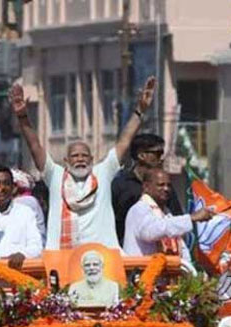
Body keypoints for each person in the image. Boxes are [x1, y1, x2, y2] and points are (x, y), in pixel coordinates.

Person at [9, 77, 156, 250]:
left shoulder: (103, 173)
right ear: (66, 161)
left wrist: (140, 110)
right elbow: (34, 146)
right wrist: (22, 116)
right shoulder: (55, 175)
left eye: (84, 156)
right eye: (75, 156)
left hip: (103, 257)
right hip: (63, 258)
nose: (80, 159)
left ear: (92, 160)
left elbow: (124, 142)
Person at [122, 168, 213, 262]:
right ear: (146, 187)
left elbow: (181, 249)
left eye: (168, 185)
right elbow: (150, 232)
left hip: (166, 274)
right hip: (141, 274)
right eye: (160, 185)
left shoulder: (166, 213)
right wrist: (191, 218)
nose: (166, 189)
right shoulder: (139, 209)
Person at [112, 133, 184, 245]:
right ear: (141, 156)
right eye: (157, 153)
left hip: (161, 250)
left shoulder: (165, 185)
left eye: (162, 153)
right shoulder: (121, 185)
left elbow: (176, 216)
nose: (161, 158)